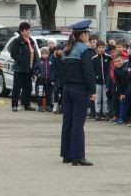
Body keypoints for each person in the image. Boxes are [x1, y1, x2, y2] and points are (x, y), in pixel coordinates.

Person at [59, 20, 96, 166]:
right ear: (83, 35)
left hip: (66, 89)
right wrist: (92, 90)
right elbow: (88, 72)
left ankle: (66, 154)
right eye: (88, 33)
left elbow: (61, 73)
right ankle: (78, 156)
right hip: (79, 90)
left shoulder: (66, 51)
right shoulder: (84, 50)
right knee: (78, 123)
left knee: (67, 121)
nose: (89, 35)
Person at [10, 22, 37, 111]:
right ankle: (14, 105)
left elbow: (34, 52)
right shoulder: (17, 41)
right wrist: (19, 60)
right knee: (17, 87)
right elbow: (13, 53)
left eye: (29, 29)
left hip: (29, 68)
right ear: (22, 31)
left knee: (28, 88)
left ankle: (26, 104)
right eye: (26, 30)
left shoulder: (31, 40)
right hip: (20, 68)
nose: (29, 31)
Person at [92, 41, 111, 120]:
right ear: (97, 49)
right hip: (97, 82)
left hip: (106, 82)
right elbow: (92, 70)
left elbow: (110, 70)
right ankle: (97, 112)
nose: (101, 49)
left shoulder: (109, 58)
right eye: (100, 47)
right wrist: (95, 77)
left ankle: (105, 112)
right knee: (98, 98)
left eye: (103, 47)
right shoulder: (94, 58)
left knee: (105, 98)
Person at [33, 47, 55, 111]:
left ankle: (48, 106)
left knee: (49, 94)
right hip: (40, 81)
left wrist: (52, 79)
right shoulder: (39, 61)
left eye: (46, 54)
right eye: (43, 54)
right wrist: (38, 74)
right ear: (41, 54)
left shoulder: (51, 61)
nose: (45, 55)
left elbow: (53, 70)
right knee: (39, 94)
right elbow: (35, 69)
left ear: (48, 54)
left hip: (49, 81)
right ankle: (40, 106)